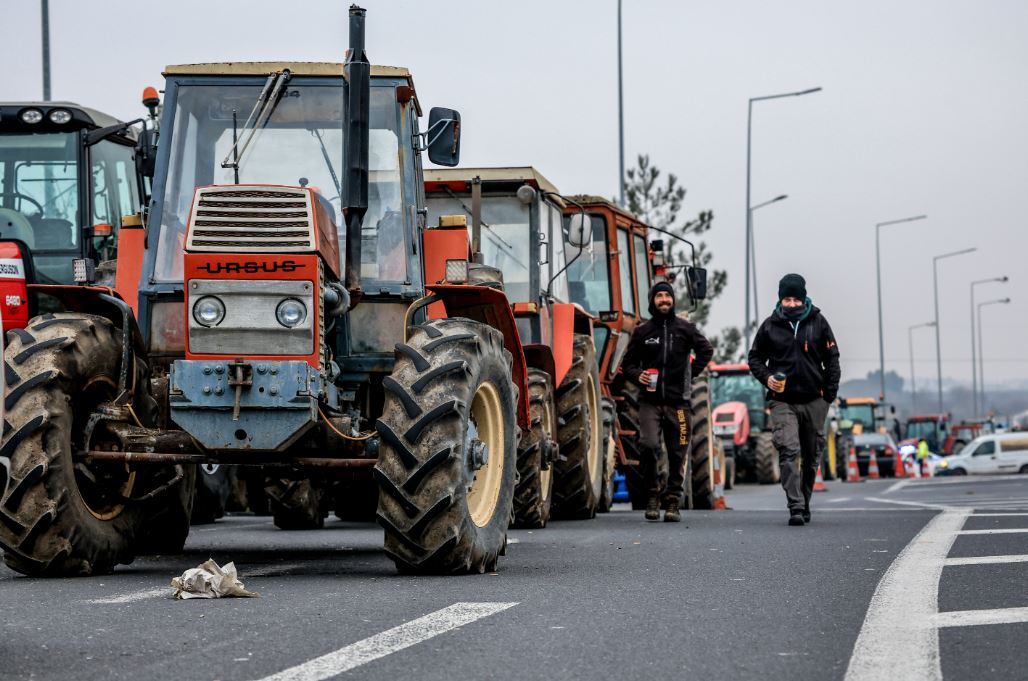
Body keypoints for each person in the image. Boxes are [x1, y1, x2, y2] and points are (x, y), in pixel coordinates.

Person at [748, 273, 840, 526]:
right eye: (786, 299)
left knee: (811, 457)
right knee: (789, 450)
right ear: (780, 299)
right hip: (782, 401)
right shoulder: (770, 325)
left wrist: (828, 395)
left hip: (814, 400)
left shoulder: (818, 322)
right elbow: (754, 358)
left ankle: (805, 501)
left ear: (803, 298)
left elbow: (832, 359)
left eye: (795, 299)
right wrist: (767, 378)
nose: (790, 304)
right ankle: (795, 506)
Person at [621, 282, 714, 522]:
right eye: (659, 296)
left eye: (667, 296)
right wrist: (637, 375)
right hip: (649, 402)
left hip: (679, 404)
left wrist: (690, 373)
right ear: (652, 301)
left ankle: (673, 501)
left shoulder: (686, 329)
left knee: (678, 453)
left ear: (673, 300)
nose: (664, 300)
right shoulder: (643, 332)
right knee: (649, 446)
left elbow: (706, 350)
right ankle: (652, 495)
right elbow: (627, 365)